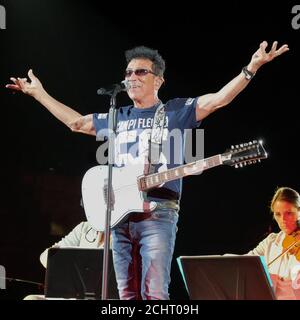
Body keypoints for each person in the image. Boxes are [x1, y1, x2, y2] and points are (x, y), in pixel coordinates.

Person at [6, 41, 289, 300]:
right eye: (128, 73)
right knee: (125, 295)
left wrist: (251, 68)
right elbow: (76, 123)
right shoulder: (119, 115)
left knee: (154, 292)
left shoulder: (176, 112)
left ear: (159, 80)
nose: (132, 77)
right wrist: (38, 93)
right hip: (118, 215)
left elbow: (218, 100)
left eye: (140, 72)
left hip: (158, 211)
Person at [24, 221, 105, 300]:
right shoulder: (84, 227)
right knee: (31, 298)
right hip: (73, 294)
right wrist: (60, 257)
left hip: (106, 296)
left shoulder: (117, 236)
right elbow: (45, 257)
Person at [248, 187, 300, 300]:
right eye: (278, 214)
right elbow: (246, 262)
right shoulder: (271, 241)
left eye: (289, 213)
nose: (283, 220)